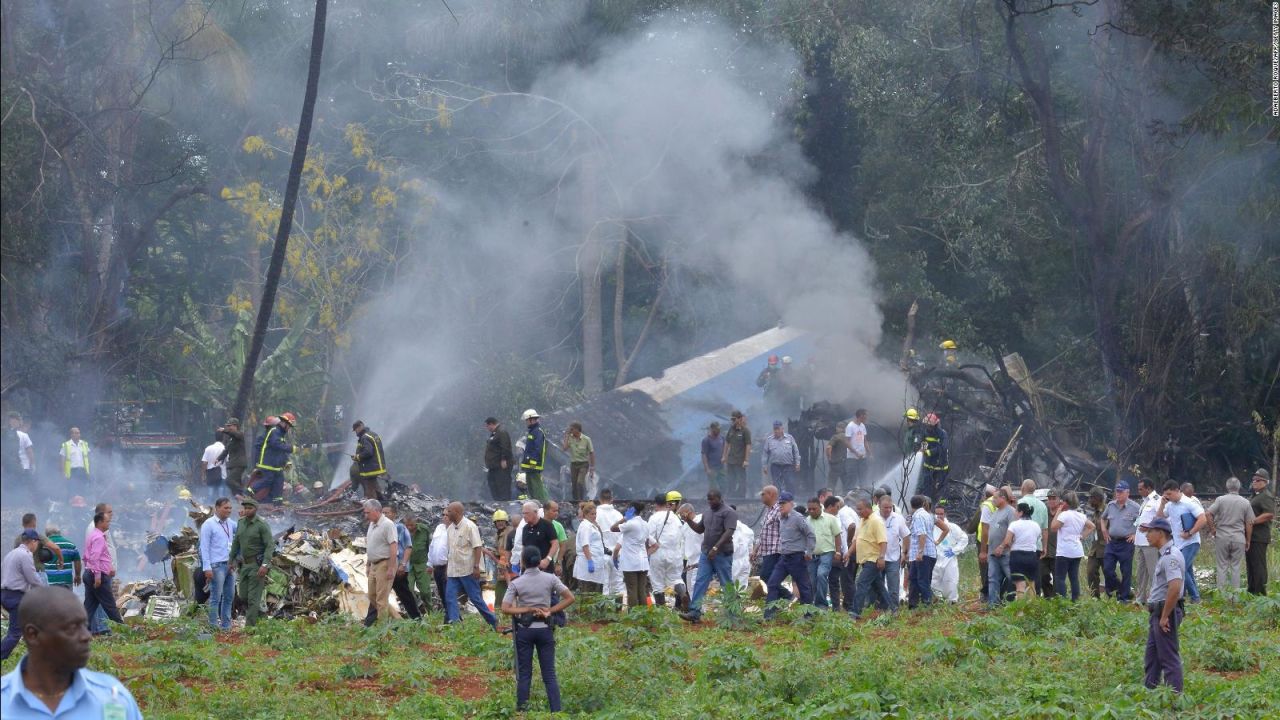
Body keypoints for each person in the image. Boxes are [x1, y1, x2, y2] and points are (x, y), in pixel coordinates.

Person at [0, 586, 144, 719]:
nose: (87, 636)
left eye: (84, 625)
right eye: (72, 628)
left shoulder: (113, 698)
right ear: (33, 634)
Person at [502, 546, 575, 713]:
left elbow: (506, 608)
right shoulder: (550, 579)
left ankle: (522, 711)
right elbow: (570, 598)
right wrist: (551, 611)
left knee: (525, 674)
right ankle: (556, 712)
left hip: (525, 631)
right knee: (549, 674)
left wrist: (525, 609)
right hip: (545, 630)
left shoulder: (517, 583)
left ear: (523, 562)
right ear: (538, 561)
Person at [678, 490, 737, 623]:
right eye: (708, 500)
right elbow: (700, 529)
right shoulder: (707, 512)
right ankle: (695, 612)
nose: (710, 502)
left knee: (726, 583)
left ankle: (732, 614)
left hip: (722, 553)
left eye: (713, 499)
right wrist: (688, 521)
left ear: (720, 498)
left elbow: (729, 532)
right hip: (706, 553)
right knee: (700, 581)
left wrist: (716, 548)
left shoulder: (729, 512)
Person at [1140, 518, 1185, 693]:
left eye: (1149, 532)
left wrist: (1165, 616)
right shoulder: (1167, 554)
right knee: (1152, 656)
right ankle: (1150, 691)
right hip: (1159, 612)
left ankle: (1174, 697)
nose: (1147, 536)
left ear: (1160, 533)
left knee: (1168, 657)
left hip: (1165, 613)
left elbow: (1175, 587)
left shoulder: (1170, 557)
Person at [443, 502, 498, 629]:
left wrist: (476, 567)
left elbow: (477, 547)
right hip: (453, 571)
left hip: (468, 570)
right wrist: (447, 568)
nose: (446, 514)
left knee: (475, 598)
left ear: (457, 512)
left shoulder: (470, 526)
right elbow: (450, 550)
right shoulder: (450, 528)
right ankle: (455, 625)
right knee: (450, 597)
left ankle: (493, 621)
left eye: (449, 511)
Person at [763, 492, 814, 620]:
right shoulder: (781, 518)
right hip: (784, 557)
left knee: (804, 587)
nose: (780, 506)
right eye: (779, 504)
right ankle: (769, 615)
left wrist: (809, 552)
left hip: (797, 557)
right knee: (772, 584)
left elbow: (810, 535)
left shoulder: (798, 518)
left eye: (783, 504)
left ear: (791, 503)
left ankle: (808, 615)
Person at [1156, 481, 1206, 603]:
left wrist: (1190, 532)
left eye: (1169, 493)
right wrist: (1162, 504)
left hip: (1191, 542)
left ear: (1177, 490)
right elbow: (1159, 517)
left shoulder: (1189, 503)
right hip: (1178, 543)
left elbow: (1202, 518)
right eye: (1165, 495)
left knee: (1180, 568)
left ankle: (1195, 597)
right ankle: (1186, 596)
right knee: (1187, 570)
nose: (1168, 497)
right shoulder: (1170, 505)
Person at [1205, 477, 1255, 596]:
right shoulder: (1245, 502)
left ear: (1227, 487)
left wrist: (1213, 529)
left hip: (1222, 536)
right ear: (1239, 487)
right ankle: (1235, 596)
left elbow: (1208, 513)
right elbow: (1249, 522)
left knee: (1222, 566)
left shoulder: (1221, 500)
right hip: (1239, 538)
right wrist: (1248, 539)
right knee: (1236, 567)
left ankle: (1221, 596)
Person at [229, 496, 273, 627]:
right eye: (245, 508)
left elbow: (269, 546)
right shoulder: (241, 523)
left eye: (250, 508)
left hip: (257, 565)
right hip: (244, 565)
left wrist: (265, 565)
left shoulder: (261, 525)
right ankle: (260, 616)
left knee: (253, 598)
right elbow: (236, 543)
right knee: (243, 595)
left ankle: (250, 628)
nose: (247, 510)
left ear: (256, 509)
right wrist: (231, 560)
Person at [2, 531, 45, 659]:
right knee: (15, 633)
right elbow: (32, 578)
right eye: (37, 542)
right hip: (16, 596)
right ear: (33, 541)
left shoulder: (11, 554)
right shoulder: (25, 555)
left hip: (5, 594)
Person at [1100, 480, 1142, 602]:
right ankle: (1116, 590)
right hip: (1112, 542)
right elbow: (1103, 519)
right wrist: (1104, 531)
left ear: (1127, 492)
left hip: (1126, 543)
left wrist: (1135, 534)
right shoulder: (1111, 505)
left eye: (1120, 492)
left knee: (1126, 570)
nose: (1118, 494)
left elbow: (1142, 521)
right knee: (1107, 568)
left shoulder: (1135, 507)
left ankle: (1123, 597)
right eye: (1116, 492)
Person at [82, 512, 124, 633]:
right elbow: (95, 557)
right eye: (107, 521)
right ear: (100, 522)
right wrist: (98, 577)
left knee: (89, 606)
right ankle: (122, 630)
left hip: (89, 573)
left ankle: (80, 631)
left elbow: (86, 556)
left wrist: (105, 568)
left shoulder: (92, 535)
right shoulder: (99, 538)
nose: (109, 523)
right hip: (97, 576)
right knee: (110, 605)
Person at [199, 497, 237, 631]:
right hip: (216, 566)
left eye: (230, 508)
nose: (229, 511)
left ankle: (226, 626)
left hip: (230, 566)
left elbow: (241, 533)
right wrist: (207, 567)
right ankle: (213, 626)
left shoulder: (231, 523)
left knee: (229, 596)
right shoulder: (208, 525)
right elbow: (204, 547)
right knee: (216, 597)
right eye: (226, 508)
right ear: (217, 508)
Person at [1051, 490, 1095, 601]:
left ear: (1066, 502)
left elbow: (1053, 527)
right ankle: (1075, 600)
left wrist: (1058, 511)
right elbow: (1092, 526)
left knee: (1060, 578)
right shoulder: (1081, 515)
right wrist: (1082, 536)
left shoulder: (1064, 515)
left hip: (1064, 551)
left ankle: (1062, 601)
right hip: (1077, 551)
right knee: (1074, 577)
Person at [850, 499, 890, 619]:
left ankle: (855, 611)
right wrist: (848, 552)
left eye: (860, 509)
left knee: (861, 583)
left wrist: (881, 558)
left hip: (873, 559)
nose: (858, 512)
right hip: (864, 559)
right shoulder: (862, 520)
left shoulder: (876, 521)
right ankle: (891, 608)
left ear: (868, 508)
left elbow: (883, 541)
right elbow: (856, 539)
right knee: (878, 586)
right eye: (857, 509)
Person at [752, 485, 792, 603]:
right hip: (766, 551)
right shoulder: (769, 511)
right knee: (770, 579)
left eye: (763, 494)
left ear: (771, 495)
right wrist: (755, 550)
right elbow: (763, 533)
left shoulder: (779, 510)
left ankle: (788, 597)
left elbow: (786, 529)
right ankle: (777, 603)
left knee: (766, 577)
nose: (761, 496)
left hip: (775, 551)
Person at [906, 495, 947, 608]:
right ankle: (913, 605)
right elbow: (946, 529)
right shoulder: (928, 515)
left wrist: (920, 552)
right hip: (924, 553)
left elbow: (922, 534)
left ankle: (927, 605)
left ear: (911, 505)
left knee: (922, 581)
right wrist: (936, 542)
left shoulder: (919, 516)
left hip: (922, 554)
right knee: (914, 579)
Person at [647, 491, 687, 608]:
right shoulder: (675, 518)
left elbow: (648, 536)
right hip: (675, 554)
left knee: (657, 583)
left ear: (656, 504)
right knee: (676, 579)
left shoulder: (654, 518)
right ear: (667, 503)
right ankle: (683, 594)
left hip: (658, 553)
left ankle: (661, 611)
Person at [383, 507, 422, 620]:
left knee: (405, 595)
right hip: (384, 567)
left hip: (398, 568)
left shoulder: (400, 528)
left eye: (387, 512)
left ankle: (417, 619)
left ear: (394, 514)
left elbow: (408, 547)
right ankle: (370, 622)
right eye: (383, 513)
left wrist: (403, 564)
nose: (385, 515)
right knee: (380, 594)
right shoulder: (381, 528)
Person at [611, 501, 653, 608]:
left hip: (630, 563)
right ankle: (643, 615)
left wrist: (624, 518)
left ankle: (633, 616)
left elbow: (613, 528)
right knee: (641, 590)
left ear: (632, 510)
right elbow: (647, 543)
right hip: (643, 561)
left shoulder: (630, 523)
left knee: (631, 590)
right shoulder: (645, 524)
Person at [1000, 503, 1042, 600]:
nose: (1015, 512)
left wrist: (1006, 546)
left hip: (1017, 556)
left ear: (1021, 512)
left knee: (1020, 585)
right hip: (1032, 555)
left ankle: (1020, 612)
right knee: (1031, 584)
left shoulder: (1014, 524)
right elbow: (1037, 539)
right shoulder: (1036, 525)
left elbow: (1007, 541)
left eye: (1016, 510)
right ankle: (1032, 608)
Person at [981, 489, 1016, 607]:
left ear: (1003, 498)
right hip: (992, 552)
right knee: (992, 578)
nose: (993, 500)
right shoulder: (995, 512)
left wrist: (1002, 546)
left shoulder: (1011, 512)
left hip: (1006, 553)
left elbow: (1013, 531)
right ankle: (993, 605)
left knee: (1012, 577)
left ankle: (1012, 604)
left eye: (995, 498)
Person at [251, 413, 294, 503]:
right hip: (267, 465)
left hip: (275, 465)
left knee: (278, 483)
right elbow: (276, 447)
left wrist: (285, 461)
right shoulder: (272, 434)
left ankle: (276, 503)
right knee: (267, 481)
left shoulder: (279, 434)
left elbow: (279, 451)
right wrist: (257, 465)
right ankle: (248, 494)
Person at [806, 497, 840, 610]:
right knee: (812, 580)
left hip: (827, 553)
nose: (811, 511)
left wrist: (838, 552)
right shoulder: (807, 521)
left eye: (814, 509)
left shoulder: (831, 519)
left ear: (820, 507)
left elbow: (837, 535)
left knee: (821, 575)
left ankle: (822, 605)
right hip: (812, 555)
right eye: (809, 509)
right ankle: (815, 604)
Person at [1017, 480, 1049, 596]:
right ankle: (1036, 596)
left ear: (1023, 488)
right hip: (1037, 545)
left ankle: (1021, 598)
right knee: (1035, 573)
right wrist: (1044, 546)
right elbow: (1045, 529)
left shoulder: (1020, 503)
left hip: (1021, 545)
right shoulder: (1042, 505)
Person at [931, 503, 968, 602]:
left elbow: (963, 538)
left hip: (949, 558)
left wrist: (955, 550)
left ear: (945, 514)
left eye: (941, 514)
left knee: (950, 580)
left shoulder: (952, 527)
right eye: (937, 514)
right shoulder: (931, 527)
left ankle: (952, 601)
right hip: (935, 558)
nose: (939, 516)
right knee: (934, 581)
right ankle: (937, 600)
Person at [1133, 477, 1162, 604]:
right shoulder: (1145, 501)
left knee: (1153, 570)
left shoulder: (1157, 500)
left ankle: (1155, 596)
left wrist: (1150, 527)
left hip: (1150, 542)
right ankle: (1140, 597)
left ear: (1149, 488)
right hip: (1140, 540)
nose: (1139, 491)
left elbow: (1161, 518)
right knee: (1141, 572)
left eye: (1141, 489)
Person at [1246, 469, 1275, 595]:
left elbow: (1269, 514)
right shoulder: (1256, 495)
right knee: (1251, 565)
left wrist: (1253, 521)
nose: (1254, 482)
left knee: (1258, 565)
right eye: (1253, 480)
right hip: (1251, 536)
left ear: (1265, 482)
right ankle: (1252, 590)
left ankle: (1261, 593)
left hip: (1259, 536)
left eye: (1258, 480)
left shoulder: (1266, 496)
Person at [879, 496, 910, 611]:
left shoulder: (898, 518)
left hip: (893, 557)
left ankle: (894, 609)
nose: (887, 510)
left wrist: (905, 553)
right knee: (879, 585)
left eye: (890, 507)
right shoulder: (874, 518)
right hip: (877, 558)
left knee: (893, 585)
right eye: (885, 507)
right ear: (879, 506)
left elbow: (906, 535)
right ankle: (881, 608)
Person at [594, 490, 624, 599]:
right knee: (618, 585)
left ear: (599, 499)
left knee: (604, 585)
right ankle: (618, 611)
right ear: (612, 499)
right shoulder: (618, 515)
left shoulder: (595, 514)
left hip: (601, 554)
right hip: (617, 554)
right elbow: (623, 535)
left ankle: (605, 612)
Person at [827, 496, 856, 611]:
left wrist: (848, 545)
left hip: (843, 552)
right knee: (843, 579)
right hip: (842, 551)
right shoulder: (846, 512)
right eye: (836, 507)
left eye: (838, 507)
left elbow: (851, 527)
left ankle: (850, 606)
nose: (838, 509)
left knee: (845, 580)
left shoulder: (842, 514)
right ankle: (843, 606)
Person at [573, 502, 608, 594]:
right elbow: (585, 545)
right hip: (587, 563)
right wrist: (589, 561)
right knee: (588, 592)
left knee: (596, 591)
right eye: (592, 514)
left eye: (595, 513)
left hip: (597, 561)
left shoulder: (592, 525)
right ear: (585, 514)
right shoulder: (585, 526)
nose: (594, 516)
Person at [404, 513, 433, 615]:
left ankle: (431, 612)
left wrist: (431, 564)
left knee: (425, 591)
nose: (409, 527)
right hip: (407, 566)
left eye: (411, 525)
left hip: (422, 564)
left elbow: (430, 547)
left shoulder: (424, 530)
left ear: (416, 522)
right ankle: (414, 614)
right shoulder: (402, 531)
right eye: (407, 525)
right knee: (409, 590)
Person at [351, 421, 389, 502]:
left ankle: (372, 506)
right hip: (377, 466)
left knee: (369, 489)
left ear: (360, 427)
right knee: (374, 485)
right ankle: (383, 502)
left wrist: (357, 457)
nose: (356, 432)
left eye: (356, 429)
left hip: (370, 468)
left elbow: (368, 452)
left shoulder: (365, 437)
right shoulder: (373, 434)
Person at [972, 484, 997, 603]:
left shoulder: (985, 505)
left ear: (984, 496)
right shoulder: (1003, 503)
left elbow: (971, 527)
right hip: (998, 540)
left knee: (985, 569)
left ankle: (986, 595)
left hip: (984, 542)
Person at [762, 421, 801, 494]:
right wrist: (764, 466)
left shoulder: (790, 438)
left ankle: (790, 501)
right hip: (775, 466)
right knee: (776, 485)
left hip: (788, 465)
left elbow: (796, 451)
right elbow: (765, 453)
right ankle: (778, 501)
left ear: (782, 429)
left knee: (790, 483)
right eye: (775, 429)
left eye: (778, 429)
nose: (776, 431)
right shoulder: (769, 439)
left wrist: (797, 463)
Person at [519, 409, 548, 502]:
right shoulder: (532, 431)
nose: (526, 423)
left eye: (527, 420)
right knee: (531, 487)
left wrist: (532, 462)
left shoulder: (538, 432)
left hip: (533, 465)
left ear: (532, 419)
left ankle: (543, 504)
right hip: (529, 465)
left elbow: (537, 449)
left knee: (537, 486)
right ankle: (535, 503)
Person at [561, 422, 595, 502]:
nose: (571, 431)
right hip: (574, 464)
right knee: (574, 484)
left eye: (572, 429)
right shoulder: (570, 438)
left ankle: (581, 500)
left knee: (580, 482)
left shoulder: (586, 439)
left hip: (583, 464)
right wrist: (566, 436)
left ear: (577, 429)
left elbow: (591, 453)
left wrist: (592, 468)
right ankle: (575, 500)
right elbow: (564, 448)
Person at [919, 413, 949, 503]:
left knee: (941, 489)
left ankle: (942, 507)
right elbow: (924, 442)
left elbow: (943, 448)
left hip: (941, 467)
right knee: (926, 488)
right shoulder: (925, 432)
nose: (928, 427)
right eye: (926, 425)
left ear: (935, 424)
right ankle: (926, 505)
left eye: (929, 425)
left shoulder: (942, 434)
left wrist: (929, 452)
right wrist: (923, 449)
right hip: (928, 466)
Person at [41, 526, 81, 591]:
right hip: (66, 580)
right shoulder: (70, 545)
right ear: (59, 533)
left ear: (47, 535)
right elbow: (77, 561)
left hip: (50, 581)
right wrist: (77, 576)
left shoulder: (44, 546)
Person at [722, 410, 752, 498]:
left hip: (740, 461)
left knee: (741, 480)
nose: (732, 421)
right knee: (731, 479)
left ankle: (742, 496)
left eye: (734, 419)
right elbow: (727, 443)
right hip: (731, 460)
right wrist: (724, 456)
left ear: (739, 419)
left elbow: (748, 445)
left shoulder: (745, 431)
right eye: (731, 419)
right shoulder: (731, 430)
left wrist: (746, 460)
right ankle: (731, 496)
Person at [487, 510, 513, 609]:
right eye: (497, 521)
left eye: (502, 521)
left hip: (509, 566)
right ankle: (500, 609)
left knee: (508, 588)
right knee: (501, 589)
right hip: (502, 567)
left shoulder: (509, 532)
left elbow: (508, 550)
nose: (500, 523)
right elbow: (499, 550)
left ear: (506, 521)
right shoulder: (498, 534)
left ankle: (505, 609)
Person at [483, 417, 514, 501]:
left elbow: (505, 447)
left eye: (487, 426)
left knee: (503, 486)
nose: (487, 428)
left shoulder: (501, 432)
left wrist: (504, 459)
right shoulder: (494, 433)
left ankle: (505, 503)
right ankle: (497, 502)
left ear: (491, 424)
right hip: (493, 466)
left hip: (501, 466)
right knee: (492, 484)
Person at [217, 418, 249, 496]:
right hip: (233, 464)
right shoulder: (231, 439)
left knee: (229, 481)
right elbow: (226, 450)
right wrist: (218, 458)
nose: (228, 427)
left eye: (229, 426)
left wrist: (224, 430)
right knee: (234, 488)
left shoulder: (240, 434)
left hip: (239, 464)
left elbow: (234, 434)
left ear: (235, 426)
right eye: (227, 426)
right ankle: (242, 501)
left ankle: (245, 493)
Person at [1084, 489, 1107, 598]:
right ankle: (1095, 597)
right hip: (1095, 548)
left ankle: (1121, 592)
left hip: (1106, 547)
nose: (1089, 500)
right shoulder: (1096, 512)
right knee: (1091, 571)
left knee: (1109, 574)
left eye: (1091, 498)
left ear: (1097, 499)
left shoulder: (1107, 511)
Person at [428, 515, 451, 613]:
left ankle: (451, 617)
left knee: (448, 593)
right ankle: (451, 616)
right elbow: (432, 545)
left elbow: (452, 551)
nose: (445, 517)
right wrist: (429, 563)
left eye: (447, 514)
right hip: (436, 567)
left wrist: (448, 568)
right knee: (441, 593)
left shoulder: (454, 529)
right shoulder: (439, 528)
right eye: (444, 514)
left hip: (446, 567)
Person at [845, 409, 871, 491]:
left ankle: (863, 494)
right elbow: (847, 442)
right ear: (861, 416)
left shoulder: (863, 426)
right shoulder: (850, 426)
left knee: (863, 476)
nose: (867, 417)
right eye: (865, 415)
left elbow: (865, 440)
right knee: (851, 477)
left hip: (862, 457)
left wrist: (869, 453)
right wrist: (856, 453)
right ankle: (848, 494)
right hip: (852, 458)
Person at [5, 412, 35, 481]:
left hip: (12, 468)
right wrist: (33, 465)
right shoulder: (24, 435)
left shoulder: (5, 435)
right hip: (22, 468)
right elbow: (30, 452)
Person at [200, 432, 227, 501]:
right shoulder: (225, 449)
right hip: (222, 475)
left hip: (210, 475)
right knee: (221, 497)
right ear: (223, 438)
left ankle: (210, 509)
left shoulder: (208, 448)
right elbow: (228, 461)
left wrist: (203, 475)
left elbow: (204, 463)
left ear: (215, 438)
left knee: (210, 495)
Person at [826, 423, 849, 492]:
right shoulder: (848, 437)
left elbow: (828, 447)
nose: (836, 429)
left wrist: (829, 458)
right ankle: (846, 497)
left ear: (840, 428)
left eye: (838, 427)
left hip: (835, 463)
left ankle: (830, 498)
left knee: (831, 484)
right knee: (846, 483)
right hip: (845, 463)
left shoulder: (836, 437)